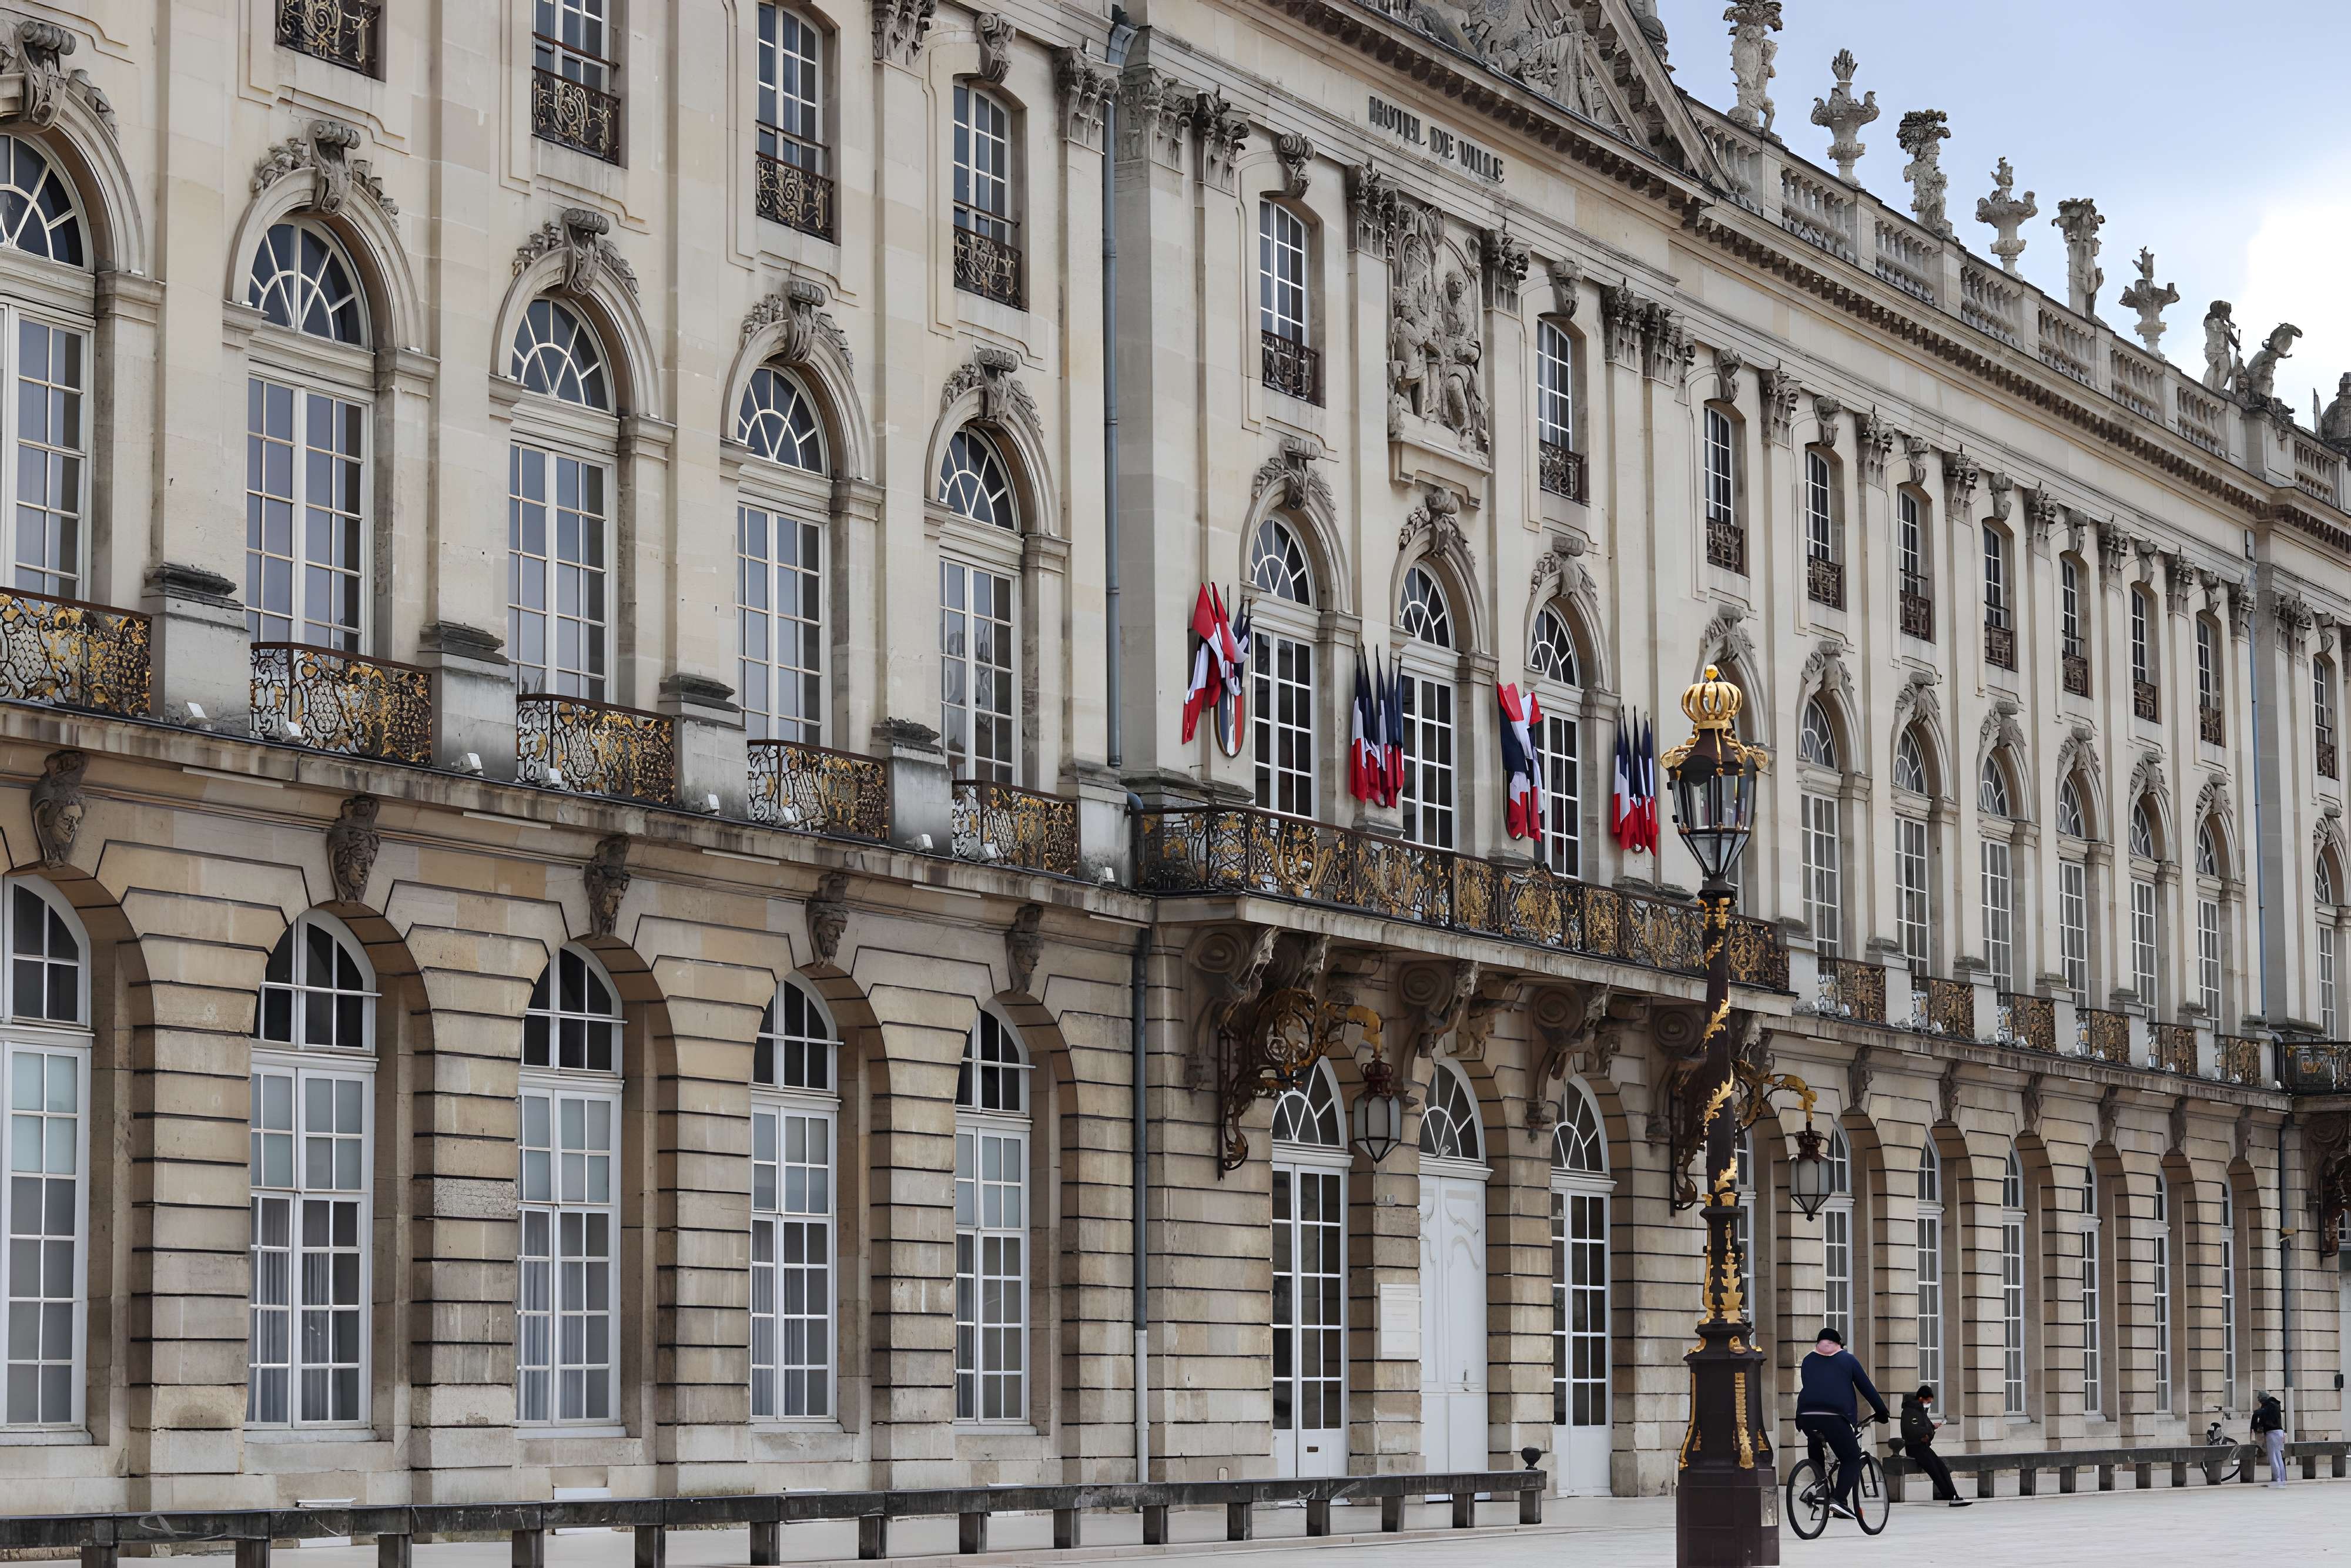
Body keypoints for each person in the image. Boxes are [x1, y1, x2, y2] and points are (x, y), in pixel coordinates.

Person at [1796, 1327, 1892, 1521]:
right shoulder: (1847, 1360)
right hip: (1834, 1416)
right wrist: (1882, 1412)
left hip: (1806, 1416)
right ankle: (1839, 1500)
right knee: (1851, 1458)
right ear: (1839, 1344)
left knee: (1815, 1443)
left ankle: (1821, 1487)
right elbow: (1867, 1389)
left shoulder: (1808, 1360)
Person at [1898, 1384, 1971, 1507]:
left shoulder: (1920, 1410)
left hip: (1923, 1447)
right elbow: (1912, 1429)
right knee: (1935, 1470)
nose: (1929, 1404)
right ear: (1921, 1398)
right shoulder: (1910, 1411)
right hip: (1915, 1448)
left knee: (1942, 1467)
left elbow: (1925, 1427)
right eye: (1928, 1401)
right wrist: (1927, 1431)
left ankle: (1953, 1495)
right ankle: (1951, 1495)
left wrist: (1932, 1428)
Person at [2251, 1391, 2287, 1486]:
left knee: (2273, 1456)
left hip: (2272, 1433)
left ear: (2262, 1399)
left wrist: (2258, 1424)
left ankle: (2277, 1478)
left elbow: (2263, 1418)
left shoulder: (2267, 1407)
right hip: (2280, 1432)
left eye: (2259, 1399)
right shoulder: (2276, 1405)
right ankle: (2282, 1477)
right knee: (2279, 1455)